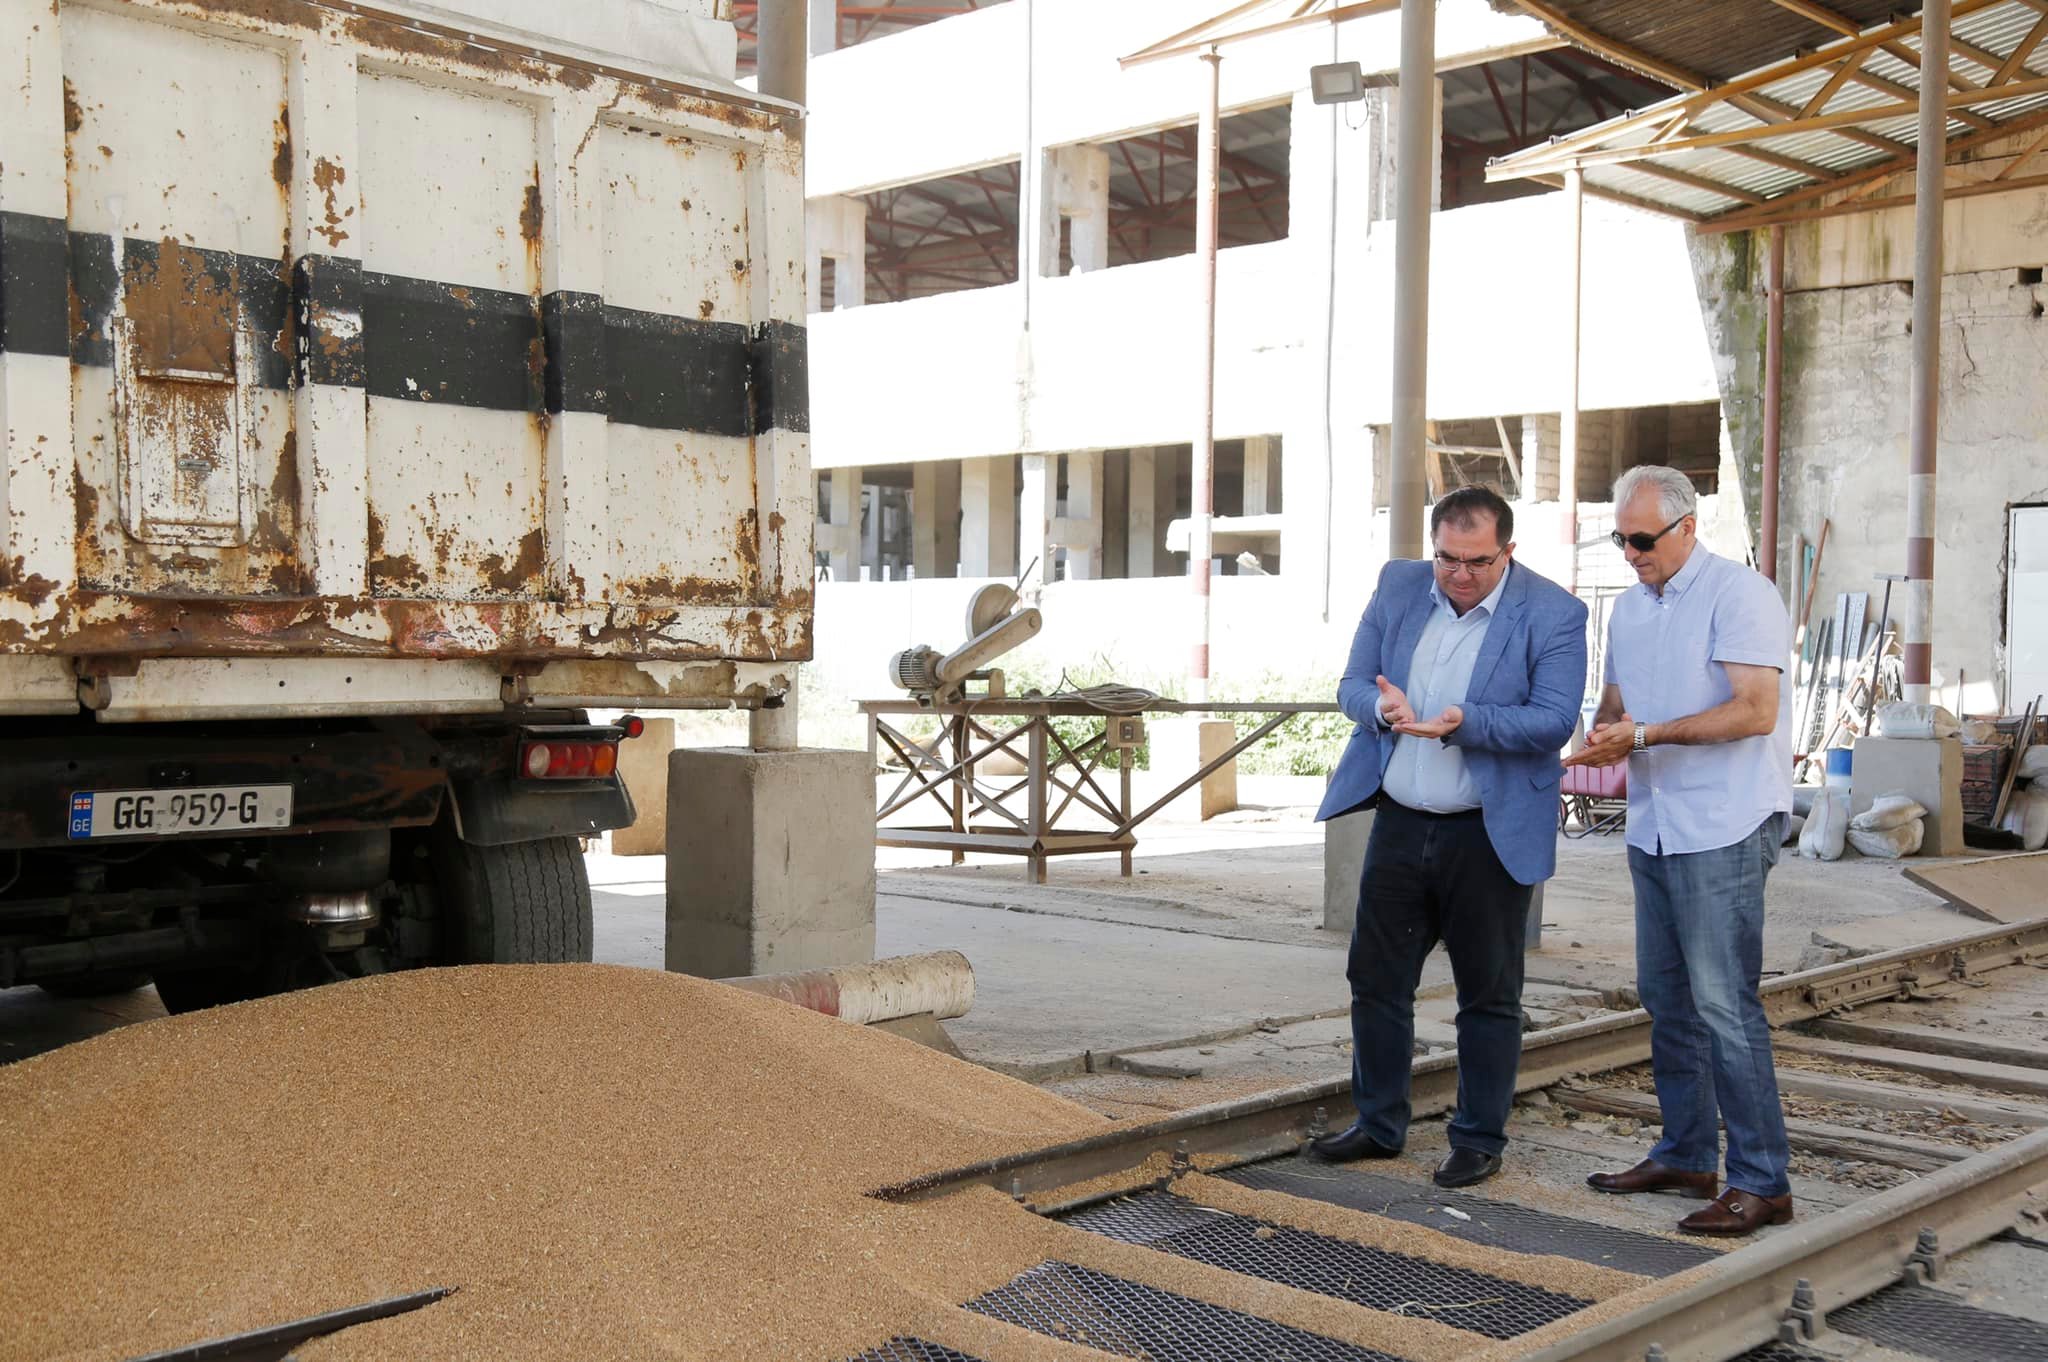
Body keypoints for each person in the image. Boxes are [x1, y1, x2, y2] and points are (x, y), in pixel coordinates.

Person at [1309, 487, 1587, 1188]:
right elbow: (1350, 684)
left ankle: (1478, 1138)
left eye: (1477, 562)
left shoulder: (1554, 612)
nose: (1459, 574)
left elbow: (1554, 720)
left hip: (1486, 833)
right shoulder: (1399, 586)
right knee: (1375, 980)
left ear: (1508, 552)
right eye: (1447, 559)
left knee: (1488, 993)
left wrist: (1469, 723)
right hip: (1400, 821)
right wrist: (1379, 707)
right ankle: (1378, 1124)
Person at [1564, 463, 1795, 1237]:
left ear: (1689, 527)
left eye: (1643, 540)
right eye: (1621, 541)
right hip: (1655, 822)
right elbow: (1617, 704)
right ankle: (1688, 1155)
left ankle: (1762, 1181)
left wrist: (1647, 737)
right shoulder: (1629, 610)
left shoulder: (1741, 595)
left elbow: (1755, 711)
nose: (1631, 554)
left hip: (1724, 822)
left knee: (1725, 1004)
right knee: (1667, 999)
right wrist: (1593, 735)